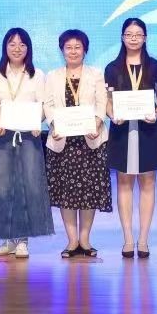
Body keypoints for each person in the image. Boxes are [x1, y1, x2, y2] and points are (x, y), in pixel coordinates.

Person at [0, 28, 54, 258]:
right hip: (3, 137)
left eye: (22, 44)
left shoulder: (38, 75)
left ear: (28, 48)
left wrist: (38, 121)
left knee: (29, 186)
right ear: (5, 47)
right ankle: (8, 239)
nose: (17, 48)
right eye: (12, 44)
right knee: (3, 188)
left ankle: (23, 240)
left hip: (29, 137)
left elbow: (43, 106)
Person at [104, 17, 157, 259]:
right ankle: (128, 239)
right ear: (122, 38)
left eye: (138, 34)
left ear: (145, 38)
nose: (133, 38)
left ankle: (143, 239)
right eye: (129, 34)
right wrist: (113, 115)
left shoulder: (155, 66)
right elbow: (108, 102)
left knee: (148, 182)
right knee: (123, 182)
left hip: (148, 130)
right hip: (121, 130)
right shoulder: (112, 68)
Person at [43, 29, 111, 258]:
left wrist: (96, 124)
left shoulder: (96, 74)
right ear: (62, 50)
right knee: (66, 193)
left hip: (90, 142)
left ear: (85, 50)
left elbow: (102, 103)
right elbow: (48, 105)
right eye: (68, 47)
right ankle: (72, 241)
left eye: (77, 47)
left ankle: (85, 239)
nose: (73, 51)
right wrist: (55, 125)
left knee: (89, 192)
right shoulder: (53, 76)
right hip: (63, 142)